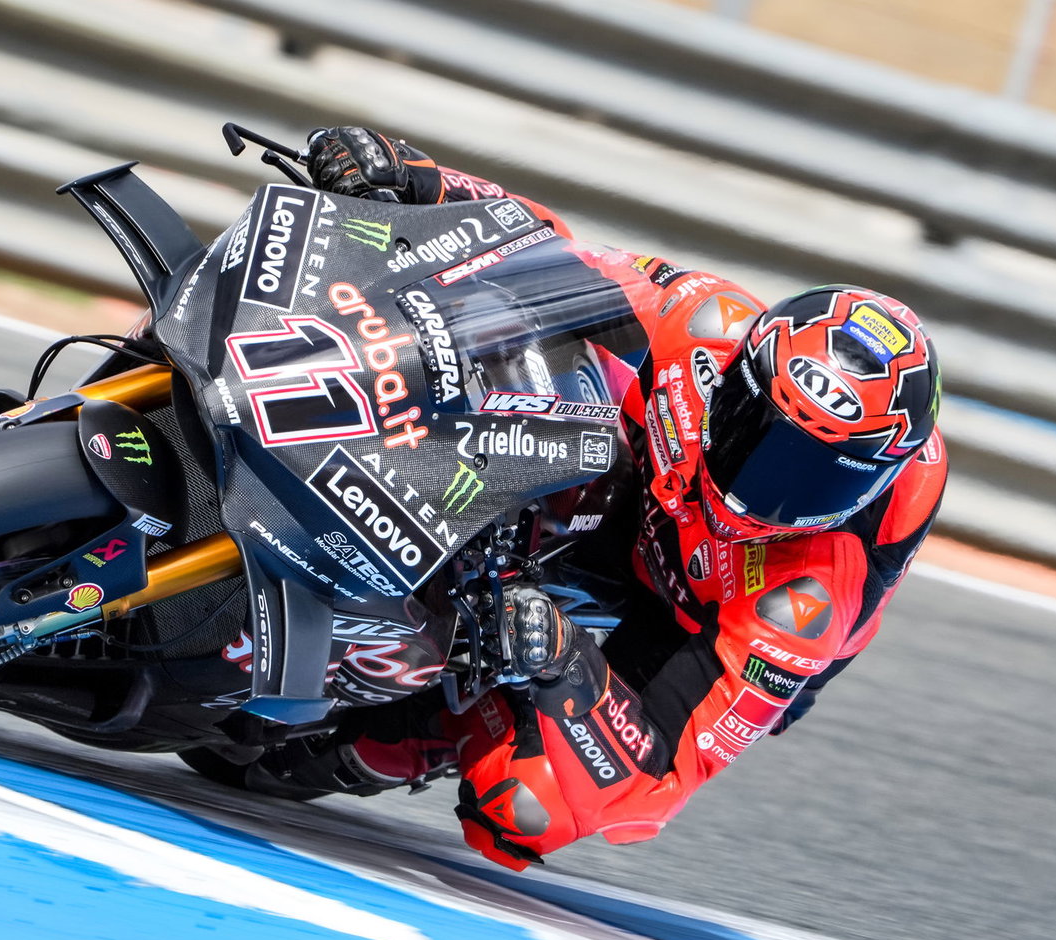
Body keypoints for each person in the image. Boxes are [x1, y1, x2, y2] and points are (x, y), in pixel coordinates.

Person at [260, 126, 948, 871]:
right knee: (527, 342)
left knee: (525, 809)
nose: (766, 488)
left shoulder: (807, 600)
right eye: (760, 435)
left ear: (867, 486)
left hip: (688, 616)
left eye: (818, 479)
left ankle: (410, 731)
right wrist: (413, 178)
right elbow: (537, 250)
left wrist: (563, 662)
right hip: (636, 493)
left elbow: (654, 786)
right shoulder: (706, 323)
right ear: (739, 380)